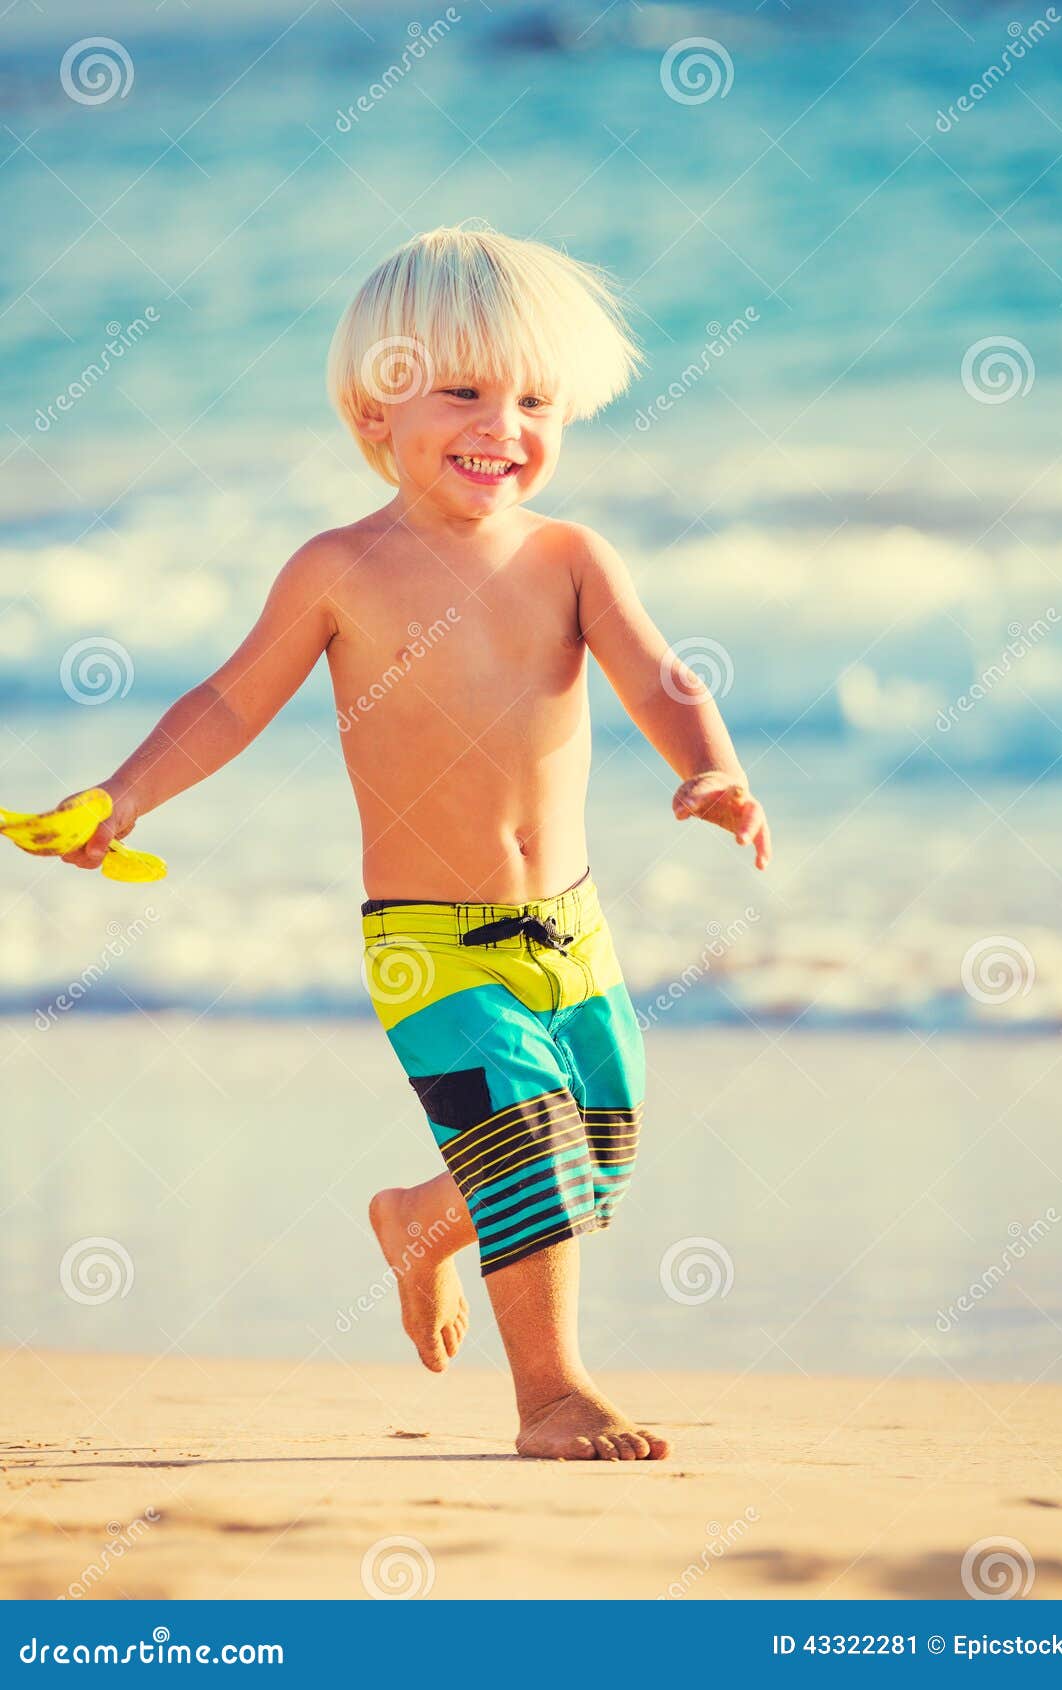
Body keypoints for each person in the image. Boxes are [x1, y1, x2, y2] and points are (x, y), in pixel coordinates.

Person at [56, 225, 771, 1461]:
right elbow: (228, 701)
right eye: (463, 390)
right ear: (373, 408)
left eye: (535, 398)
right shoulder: (341, 569)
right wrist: (125, 794)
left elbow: (658, 674)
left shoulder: (569, 556)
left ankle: (421, 1218)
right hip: (431, 944)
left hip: (574, 924)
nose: (505, 422)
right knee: (533, 1148)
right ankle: (550, 1393)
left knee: (599, 1140)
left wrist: (713, 765)